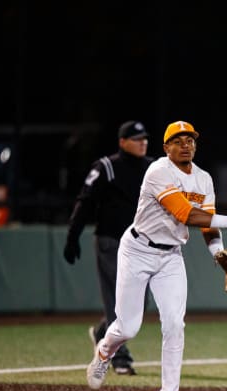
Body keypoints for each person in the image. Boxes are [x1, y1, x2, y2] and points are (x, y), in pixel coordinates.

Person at [85, 120, 227, 391]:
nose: (185, 144)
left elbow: (206, 224)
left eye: (190, 140)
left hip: (170, 257)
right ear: (166, 147)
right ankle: (104, 352)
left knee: (174, 325)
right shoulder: (158, 171)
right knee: (128, 327)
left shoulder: (203, 179)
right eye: (178, 140)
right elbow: (187, 214)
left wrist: (217, 254)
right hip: (138, 250)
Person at [64, 120, 154, 375]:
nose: (142, 143)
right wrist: (73, 235)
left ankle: (104, 332)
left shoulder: (152, 168)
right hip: (111, 241)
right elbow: (85, 201)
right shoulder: (106, 167)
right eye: (137, 139)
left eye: (144, 138)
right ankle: (119, 357)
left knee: (138, 303)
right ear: (122, 142)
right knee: (119, 300)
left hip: (142, 245)